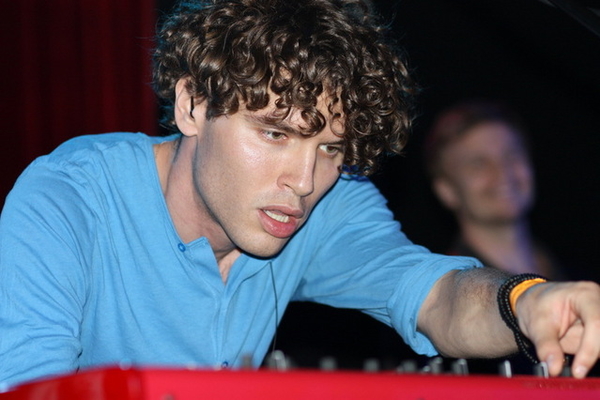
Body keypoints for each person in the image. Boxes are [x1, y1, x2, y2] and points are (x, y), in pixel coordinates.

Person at [1, 0, 599, 389]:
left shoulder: (327, 207)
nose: (305, 181)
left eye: (331, 148)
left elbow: (435, 296)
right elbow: (33, 388)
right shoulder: (67, 201)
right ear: (192, 105)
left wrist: (527, 300)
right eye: (275, 134)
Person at [424, 100, 565, 279]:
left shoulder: (571, 270)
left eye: (511, 155)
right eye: (479, 164)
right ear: (446, 190)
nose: (503, 172)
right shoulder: (452, 289)